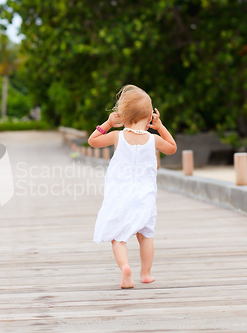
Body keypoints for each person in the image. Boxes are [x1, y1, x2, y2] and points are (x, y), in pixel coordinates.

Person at [88, 84, 177, 289]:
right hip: (144, 197)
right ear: (149, 117)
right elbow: (172, 148)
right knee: (146, 235)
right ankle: (145, 274)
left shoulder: (117, 136)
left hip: (120, 196)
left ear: (123, 116)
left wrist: (108, 124)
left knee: (117, 238)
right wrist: (161, 127)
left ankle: (125, 268)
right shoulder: (153, 139)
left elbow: (92, 141)